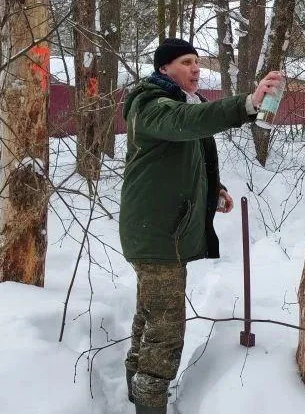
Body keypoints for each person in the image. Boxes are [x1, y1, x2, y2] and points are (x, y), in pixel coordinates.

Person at [120, 38, 283, 414]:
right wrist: (248, 103)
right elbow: (186, 124)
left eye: (197, 62)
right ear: (163, 69)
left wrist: (214, 191)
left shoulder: (178, 103)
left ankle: (136, 384)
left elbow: (188, 153)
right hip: (156, 233)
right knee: (166, 328)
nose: (195, 68)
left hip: (157, 230)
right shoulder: (151, 106)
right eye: (185, 62)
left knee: (151, 311)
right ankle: (149, 402)